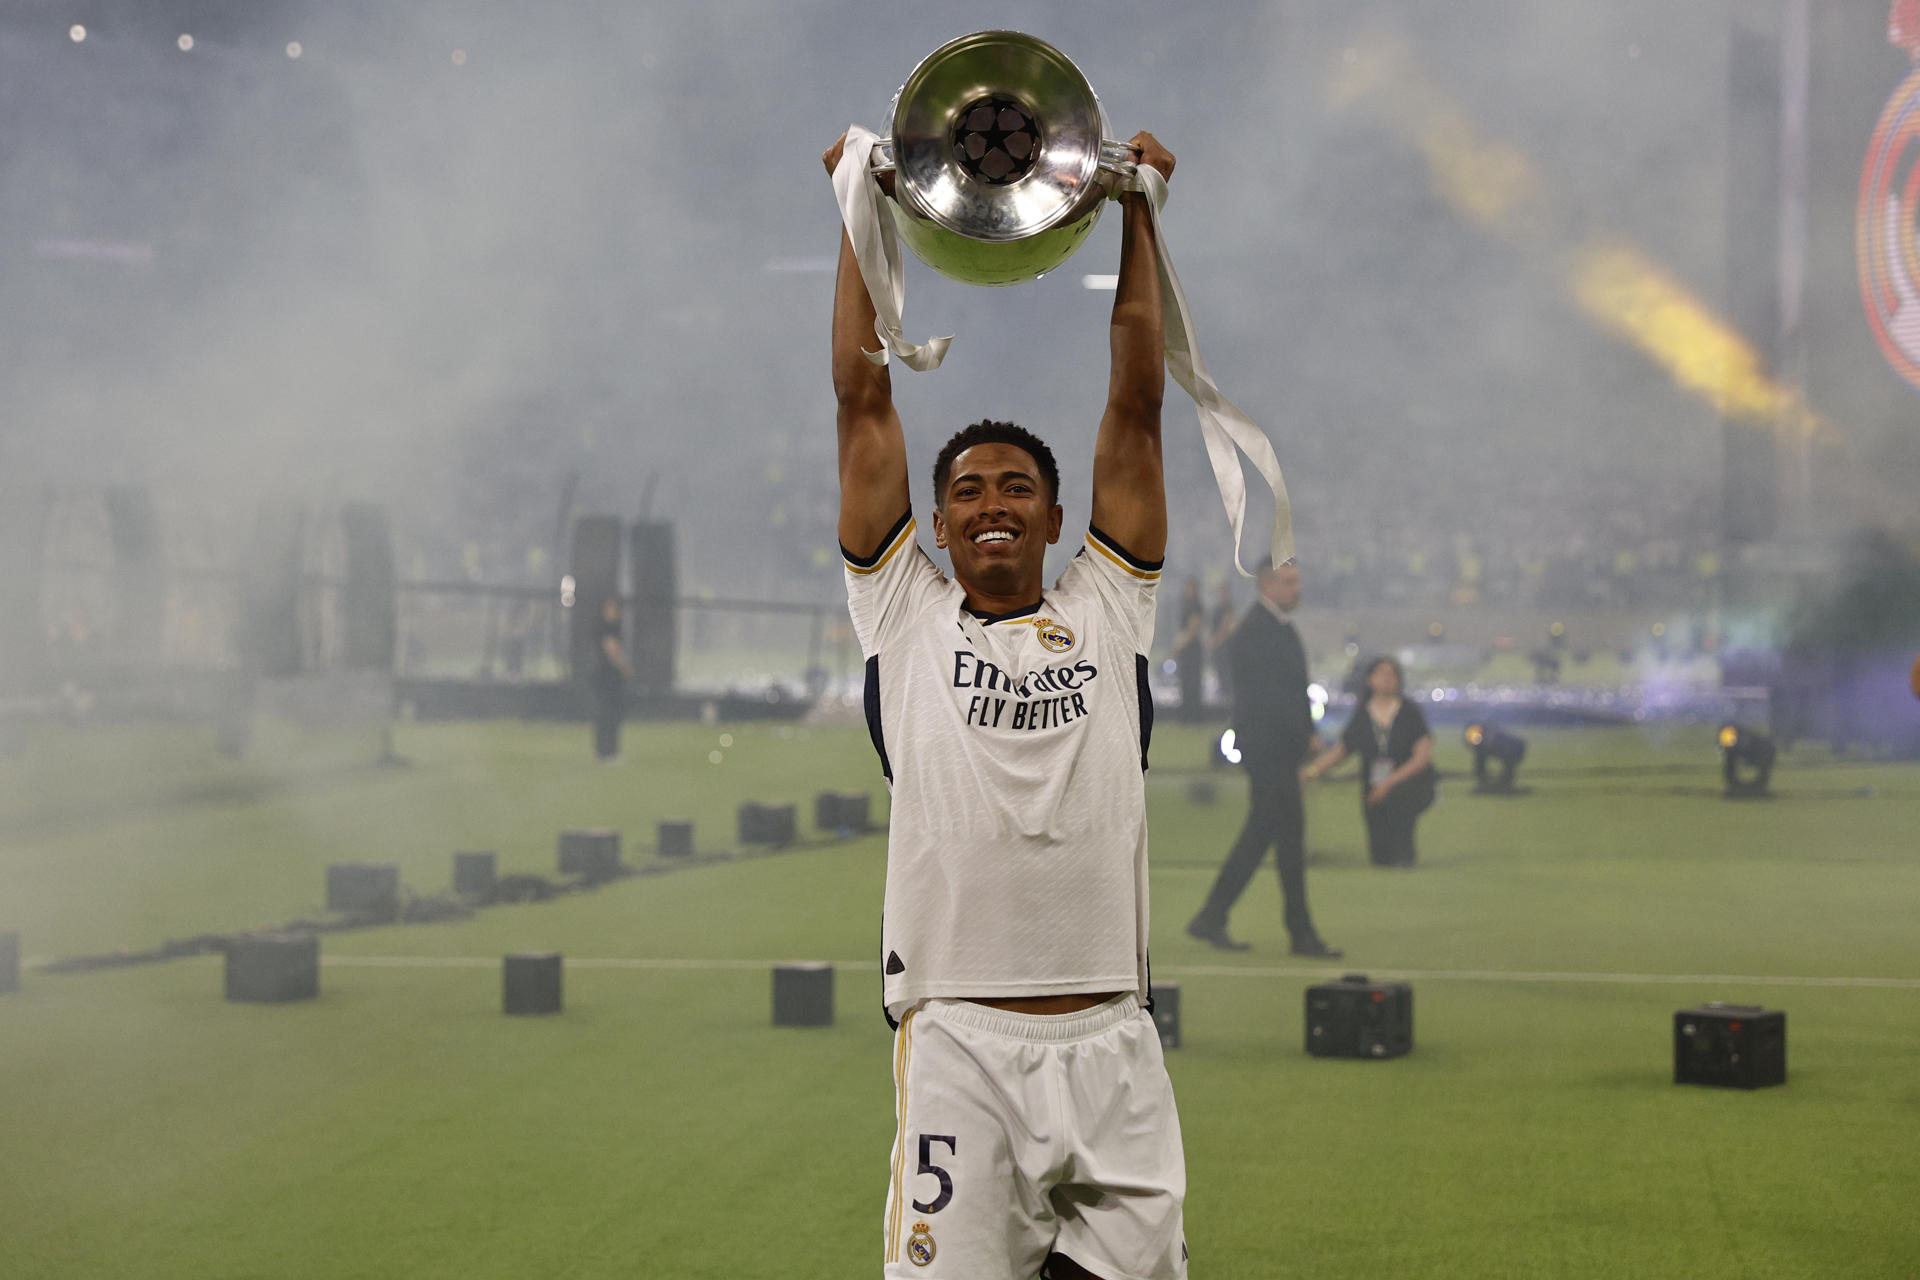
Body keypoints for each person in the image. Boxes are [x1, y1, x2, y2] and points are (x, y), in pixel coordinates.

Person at [827, 129, 1188, 1280]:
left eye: (1019, 488)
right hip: (961, 1044)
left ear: (1052, 517)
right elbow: (861, 397)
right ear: (934, 526)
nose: (994, 502)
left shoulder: (1111, 608)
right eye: (970, 488)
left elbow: (1137, 405)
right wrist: (859, 206)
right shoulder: (903, 615)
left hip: (1114, 1042)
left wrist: (1139, 210)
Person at [1186, 559, 1341, 957]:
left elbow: (1287, 690)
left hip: (1273, 750)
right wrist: (1304, 734)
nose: (1297, 589)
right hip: (1270, 751)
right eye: (1289, 582)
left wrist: (1303, 732)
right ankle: (1296, 932)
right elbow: (1271, 698)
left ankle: (1216, 916)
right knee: (1280, 838)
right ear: (1267, 584)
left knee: (1271, 837)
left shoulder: (1268, 628)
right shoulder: (1258, 631)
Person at [1305, 654, 1436, 867]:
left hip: (1409, 781)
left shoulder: (1410, 712)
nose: (1387, 679)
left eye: (1392, 674)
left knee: (1399, 806)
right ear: (1369, 680)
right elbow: (1342, 751)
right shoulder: (1362, 714)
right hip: (1372, 783)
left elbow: (1421, 757)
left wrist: (1389, 783)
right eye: (1381, 673)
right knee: (1380, 857)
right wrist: (1310, 772)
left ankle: (1405, 855)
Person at [589, 596, 631, 761]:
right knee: (608, 713)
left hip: (605, 676)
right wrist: (624, 667)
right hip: (608, 676)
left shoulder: (609, 628)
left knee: (606, 713)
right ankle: (608, 751)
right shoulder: (607, 629)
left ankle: (603, 750)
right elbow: (612, 650)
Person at [1170, 578, 1206, 722]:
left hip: (1192, 648)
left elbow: (1193, 629)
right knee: (1186, 681)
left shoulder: (1195, 607)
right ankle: (1187, 714)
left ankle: (1193, 715)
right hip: (1187, 648)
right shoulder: (1186, 606)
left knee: (1193, 681)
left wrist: (1179, 645)